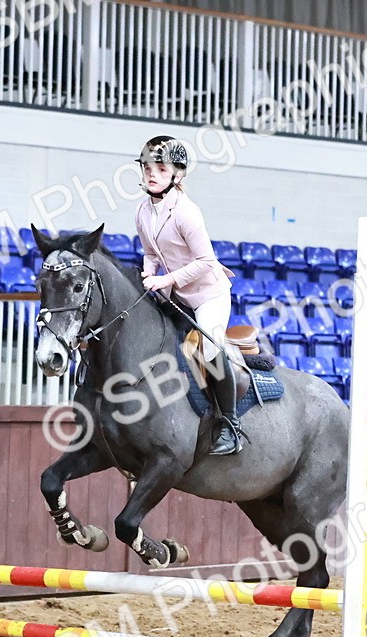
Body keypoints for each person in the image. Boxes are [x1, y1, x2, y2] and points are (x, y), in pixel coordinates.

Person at [134, 135, 243, 456]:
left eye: (160, 168)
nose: (152, 173)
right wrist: (148, 272)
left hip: (208, 296)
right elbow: (150, 253)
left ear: (177, 175)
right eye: (147, 167)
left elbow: (206, 261)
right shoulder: (142, 212)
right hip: (177, 295)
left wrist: (164, 278)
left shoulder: (186, 212)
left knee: (208, 350)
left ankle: (230, 424)